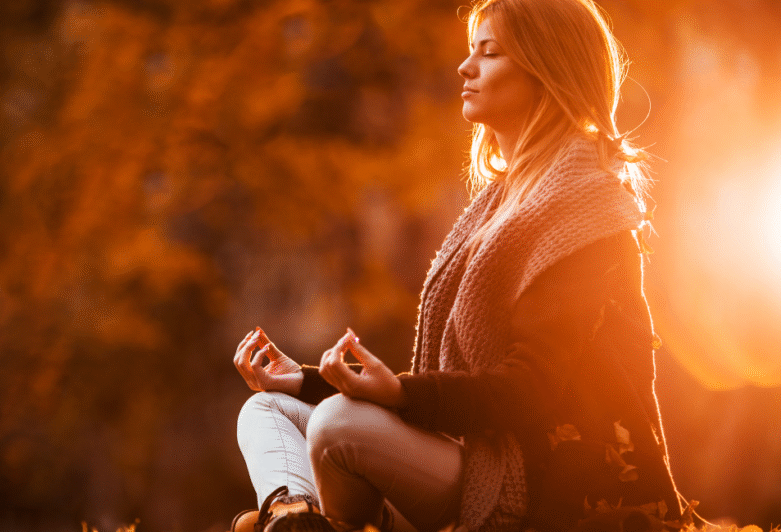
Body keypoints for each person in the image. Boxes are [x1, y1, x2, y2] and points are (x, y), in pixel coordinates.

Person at [230, 0, 684, 530]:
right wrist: (305, 381)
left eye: (489, 53)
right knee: (267, 410)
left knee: (335, 424)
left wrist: (398, 393)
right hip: (466, 459)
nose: (466, 68)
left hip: (546, 488)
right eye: (471, 51)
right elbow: (444, 392)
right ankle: (293, 516)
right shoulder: (499, 204)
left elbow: (530, 393)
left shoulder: (587, 212)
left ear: (547, 70)